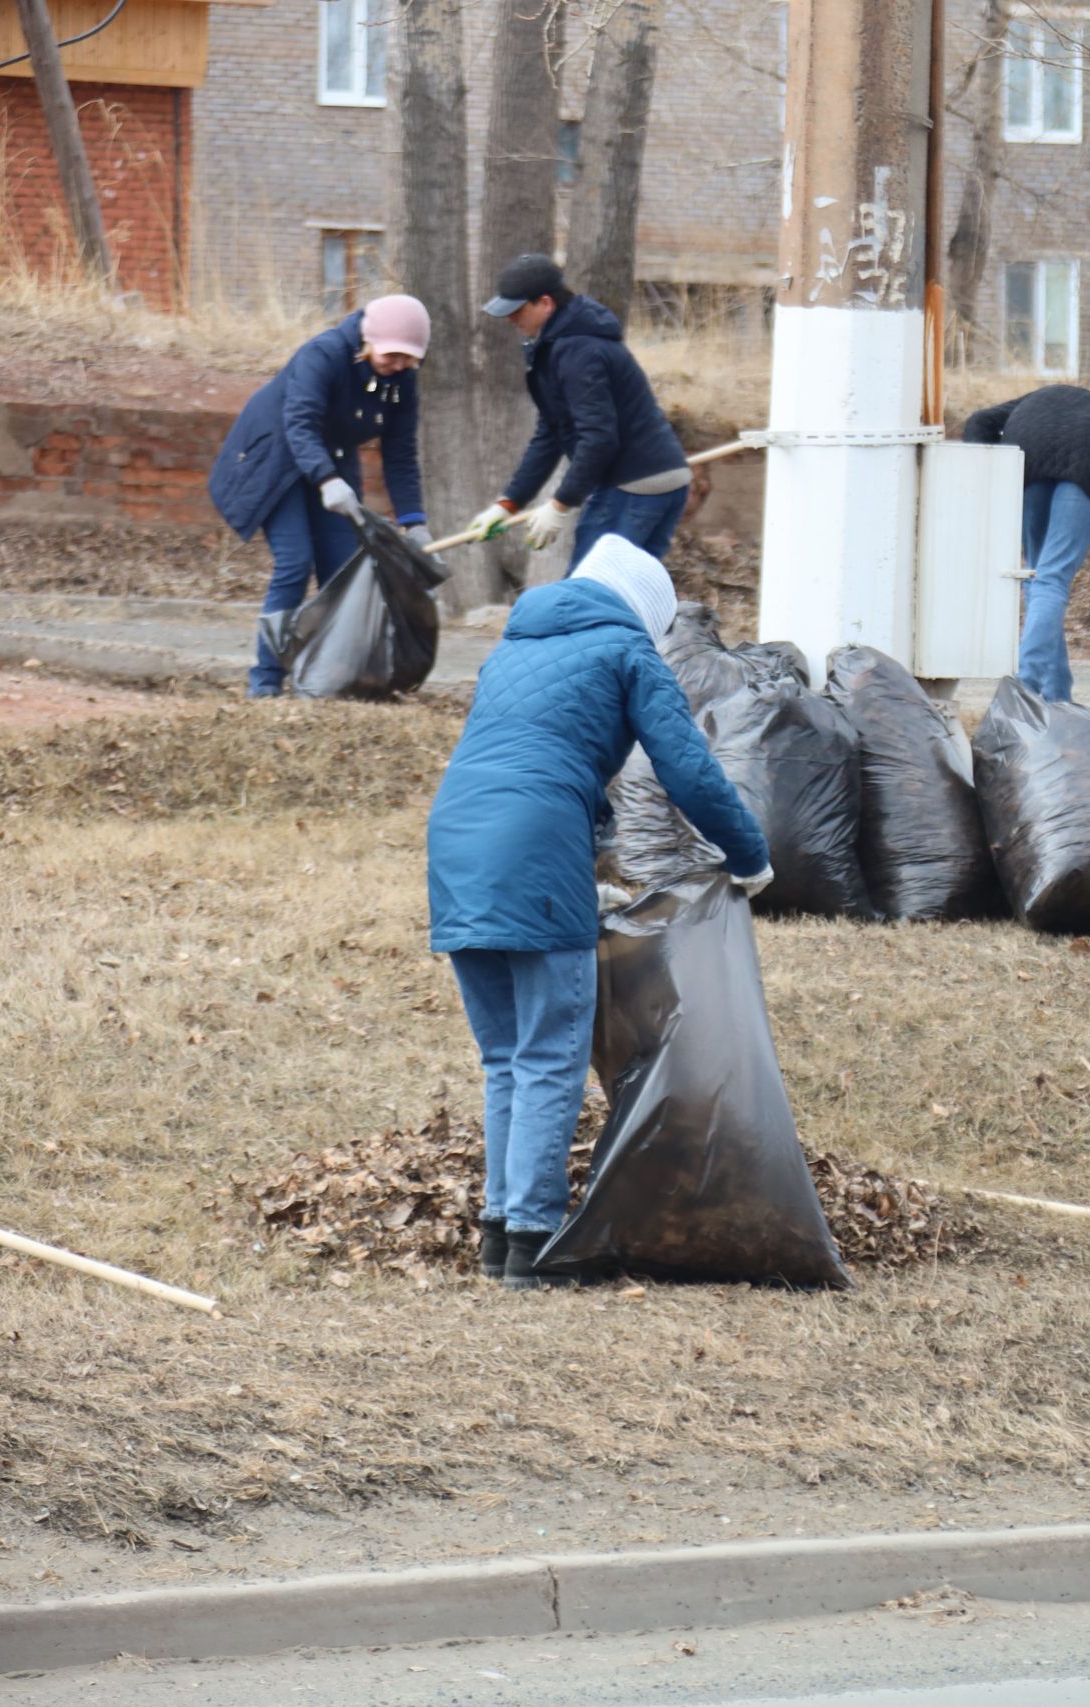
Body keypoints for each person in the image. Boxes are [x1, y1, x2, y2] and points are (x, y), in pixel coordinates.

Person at [426, 536, 772, 1289]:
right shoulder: (628, 651)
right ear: (647, 612)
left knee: (506, 1056)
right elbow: (688, 767)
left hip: (456, 843)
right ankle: (535, 1242)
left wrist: (599, 837)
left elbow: (537, 752)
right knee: (551, 1049)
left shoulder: (514, 645)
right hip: (533, 844)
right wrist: (749, 854)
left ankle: (498, 1237)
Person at [209, 295, 431, 698]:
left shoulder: (401, 382)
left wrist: (414, 521)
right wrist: (327, 480)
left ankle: (331, 680)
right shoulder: (324, 354)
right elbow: (300, 422)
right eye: (392, 355)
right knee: (295, 562)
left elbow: (400, 455)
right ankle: (265, 683)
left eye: (408, 359)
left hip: (331, 459)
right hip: (275, 457)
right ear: (369, 340)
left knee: (341, 570)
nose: (399, 365)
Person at [460, 254, 693, 567]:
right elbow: (551, 433)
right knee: (628, 595)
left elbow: (599, 438)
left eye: (517, 310)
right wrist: (509, 503)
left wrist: (560, 505)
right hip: (660, 479)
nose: (510, 319)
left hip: (635, 486)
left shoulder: (578, 350)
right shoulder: (563, 345)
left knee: (588, 595)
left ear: (545, 303)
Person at [959, 385, 1090, 703]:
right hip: (1087, 461)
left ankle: (1056, 700)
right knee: (1049, 581)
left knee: (1037, 581)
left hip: (1027, 456)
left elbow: (979, 422)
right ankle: (1024, 694)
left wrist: (993, 486)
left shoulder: (1031, 400)